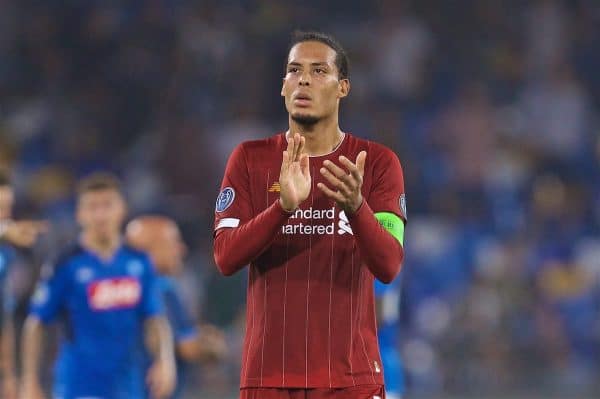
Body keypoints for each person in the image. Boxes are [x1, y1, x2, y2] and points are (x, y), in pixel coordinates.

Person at [213, 31, 407, 399]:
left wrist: (356, 206)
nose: (304, 79)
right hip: (268, 378)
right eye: (294, 70)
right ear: (283, 87)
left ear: (343, 87)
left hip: (351, 379)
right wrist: (282, 208)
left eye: (319, 71)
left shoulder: (377, 163)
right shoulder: (250, 159)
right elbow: (225, 258)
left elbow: (388, 265)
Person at [19, 173, 176, 399]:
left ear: (122, 209)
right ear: (79, 214)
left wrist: (164, 360)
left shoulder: (139, 262)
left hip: (129, 386)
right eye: (92, 207)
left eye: (107, 205)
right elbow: (36, 323)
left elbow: (155, 319)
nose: (101, 214)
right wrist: (30, 382)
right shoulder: (65, 264)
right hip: (79, 386)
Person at [126, 215, 227, 399]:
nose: (181, 249)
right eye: (173, 242)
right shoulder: (162, 288)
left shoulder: (118, 286)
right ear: (149, 250)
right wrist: (207, 344)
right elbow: (187, 346)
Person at [0, 169, 47, 399]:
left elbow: (3, 319)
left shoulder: (4, 256)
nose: (4, 215)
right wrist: (5, 230)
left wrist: (8, 375)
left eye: (7, 207)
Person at [375, 279, 405, 399]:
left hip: (379, 365)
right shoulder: (390, 275)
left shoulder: (376, 275)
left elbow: (379, 315)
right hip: (387, 364)